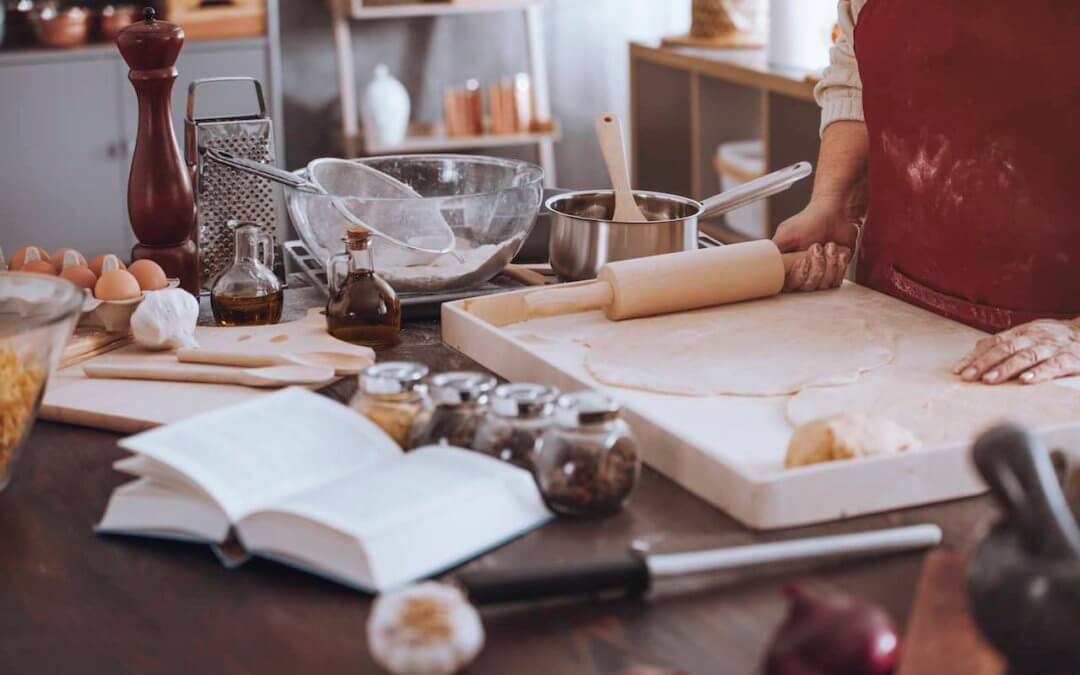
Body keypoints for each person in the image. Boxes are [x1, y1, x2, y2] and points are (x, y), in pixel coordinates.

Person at [773, 0, 1080, 386]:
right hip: (891, 318)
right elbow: (857, 66)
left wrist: (1075, 335)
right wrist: (835, 200)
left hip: (1050, 364)